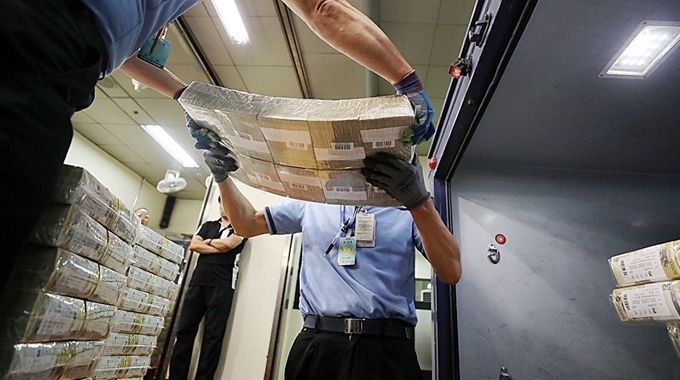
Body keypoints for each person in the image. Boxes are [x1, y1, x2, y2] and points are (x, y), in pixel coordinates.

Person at [1, 0, 437, 293]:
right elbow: (324, 8)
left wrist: (183, 96)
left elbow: (127, 49)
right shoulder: (313, 210)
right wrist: (407, 83)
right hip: (44, 44)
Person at [202, 146, 462, 380]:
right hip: (318, 345)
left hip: (386, 349)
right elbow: (246, 224)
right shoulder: (313, 202)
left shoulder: (407, 209)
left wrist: (419, 202)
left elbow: (451, 271)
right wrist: (222, 179)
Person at [169, 198, 247, 380]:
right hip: (198, 283)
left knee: (213, 337)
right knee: (184, 332)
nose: (223, 207)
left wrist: (208, 243)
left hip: (223, 286)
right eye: (221, 204)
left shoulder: (242, 227)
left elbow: (228, 245)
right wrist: (217, 245)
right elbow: (194, 245)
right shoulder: (208, 225)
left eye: (227, 204)